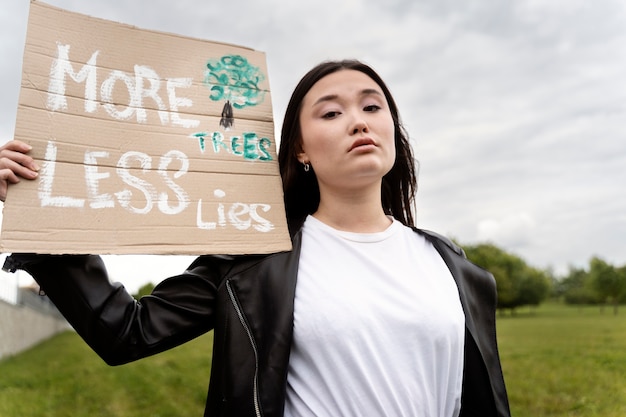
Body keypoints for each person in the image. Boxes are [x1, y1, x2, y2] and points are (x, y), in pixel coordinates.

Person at [0, 59, 510, 417]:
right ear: (301, 150)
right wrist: (42, 213)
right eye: (331, 113)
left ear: (393, 130)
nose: (358, 121)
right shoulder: (252, 261)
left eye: (372, 107)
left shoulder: (453, 266)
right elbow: (126, 331)